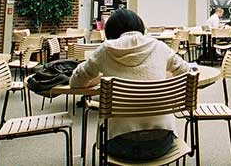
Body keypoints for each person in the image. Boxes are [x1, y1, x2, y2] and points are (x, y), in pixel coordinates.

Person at [69, 9, 190, 161]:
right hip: (161, 142)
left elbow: (76, 81)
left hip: (118, 143)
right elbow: (187, 72)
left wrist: (100, 78)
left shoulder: (106, 49)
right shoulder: (159, 46)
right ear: (140, 26)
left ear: (111, 29)